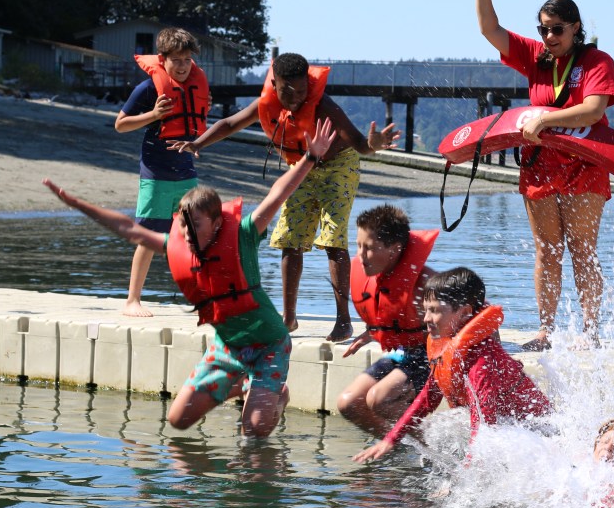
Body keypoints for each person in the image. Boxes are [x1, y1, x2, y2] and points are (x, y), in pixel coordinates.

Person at [42, 118, 336, 437]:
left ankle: (276, 394)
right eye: (183, 224)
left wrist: (310, 156)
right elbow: (129, 230)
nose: (186, 231)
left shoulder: (244, 235)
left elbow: (278, 194)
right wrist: (76, 204)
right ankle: (243, 385)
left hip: (268, 343)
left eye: (195, 223)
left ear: (215, 222)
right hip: (229, 347)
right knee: (178, 421)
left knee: (254, 433)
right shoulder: (178, 246)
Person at [171, 52, 399, 342]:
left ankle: (344, 320)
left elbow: (360, 144)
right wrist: (197, 143)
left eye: (301, 91)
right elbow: (230, 123)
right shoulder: (267, 103)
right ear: (274, 83)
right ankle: (289, 318)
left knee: (332, 239)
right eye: (286, 92)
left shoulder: (324, 106)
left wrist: (374, 143)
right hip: (303, 166)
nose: (294, 99)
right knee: (291, 240)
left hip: (339, 168)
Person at [474, 0, 614, 350]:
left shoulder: (596, 62)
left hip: (585, 164)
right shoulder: (536, 58)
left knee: (581, 250)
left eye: (557, 29)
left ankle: (590, 333)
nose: (549, 37)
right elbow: (490, 29)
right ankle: (546, 331)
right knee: (546, 250)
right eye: (543, 29)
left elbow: (592, 110)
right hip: (539, 166)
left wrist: (544, 119)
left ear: (575, 28)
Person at [352, 267, 551, 463]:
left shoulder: (482, 361)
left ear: (464, 312)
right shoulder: (448, 351)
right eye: (425, 310)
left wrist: (466, 473)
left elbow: (484, 427)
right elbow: (427, 397)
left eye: (434, 311)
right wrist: (390, 439)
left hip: (539, 435)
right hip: (506, 427)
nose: (426, 318)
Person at [115, 27, 208, 318]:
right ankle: (133, 300)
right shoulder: (147, 89)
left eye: (187, 60)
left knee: (194, 236)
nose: (182, 66)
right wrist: (154, 115)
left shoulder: (195, 85)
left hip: (186, 174)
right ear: (162, 59)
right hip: (155, 175)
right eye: (176, 60)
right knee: (148, 236)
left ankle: (199, 297)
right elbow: (121, 124)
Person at [336, 204, 438, 436]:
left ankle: (436, 448)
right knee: (348, 403)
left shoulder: (426, 283)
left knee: (379, 399)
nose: (360, 255)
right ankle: (396, 446)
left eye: (370, 248)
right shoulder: (378, 276)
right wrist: (374, 331)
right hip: (404, 352)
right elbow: (397, 319)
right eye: (358, 245)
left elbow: (476, 315)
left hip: (430, 357)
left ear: (394, 249)